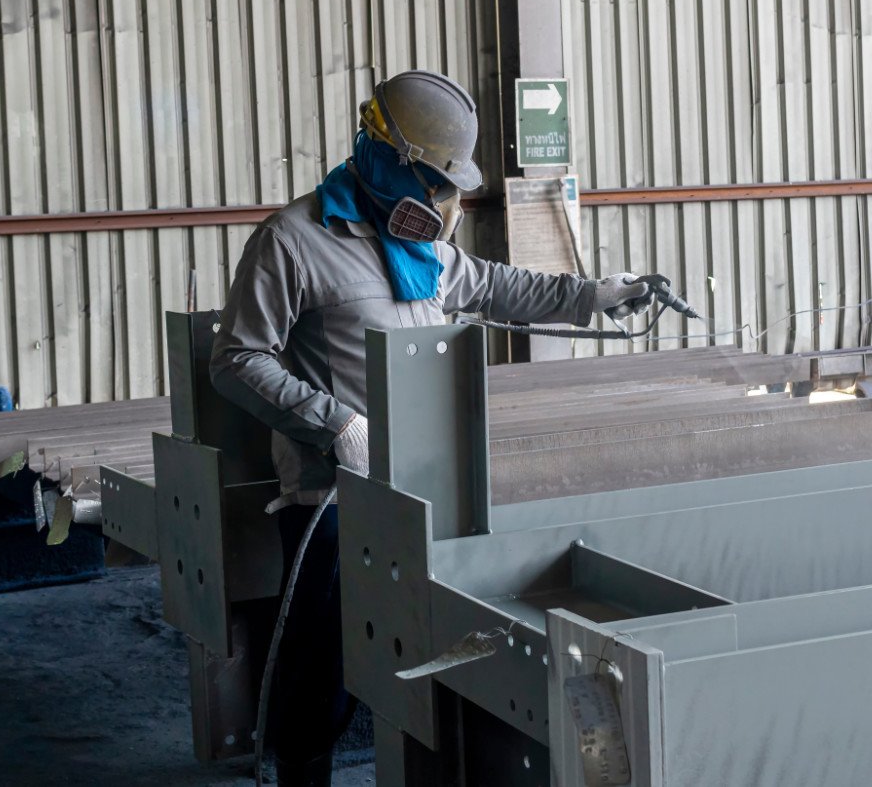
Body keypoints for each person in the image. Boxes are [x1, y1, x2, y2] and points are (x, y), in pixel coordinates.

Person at [209, 69, 660, 786]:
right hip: (334, 496)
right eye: (434, 182)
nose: (444, 205)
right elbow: (234, 359)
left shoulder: (423, 251)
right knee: (318, 664)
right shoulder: (291, 241)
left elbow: (498, 286)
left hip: (425, 490)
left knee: (429, 646)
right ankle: (302, 770)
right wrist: (333, 424)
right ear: (388, 159)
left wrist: (593, 295)